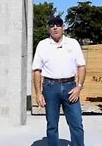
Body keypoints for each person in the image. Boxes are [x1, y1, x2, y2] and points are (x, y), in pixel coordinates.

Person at [32, 16, 86, 146]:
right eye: (51, 25)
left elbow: (82, 66)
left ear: (63, 28)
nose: (55, 27)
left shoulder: (73, 43)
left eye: (58, 25)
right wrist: (38, 93)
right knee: (52, 125)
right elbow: (36, 70)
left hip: (70, 88)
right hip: (50, 88)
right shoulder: (42, 45)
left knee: (76, 123)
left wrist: (79, 87)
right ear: (48, 29)